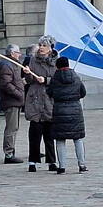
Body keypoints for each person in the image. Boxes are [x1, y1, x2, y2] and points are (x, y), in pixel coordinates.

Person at [47, 56, 88, 174]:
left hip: (59, 110)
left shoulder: (55, 78)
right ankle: (82, 164)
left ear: (57, 66)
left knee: (60, 140)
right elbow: (83, 92)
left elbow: (49, 92)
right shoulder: (76, 77)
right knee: (78, 139)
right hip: (75, 110)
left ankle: (62, 166)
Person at [24, 36, 58, 173]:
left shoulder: (56, 62)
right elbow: (29, 80)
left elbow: (57, 80)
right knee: (34, 134)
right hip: (35, 100)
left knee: (49, 135)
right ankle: (32, 162)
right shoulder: (33, 60)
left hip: (49, 101)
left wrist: (46, 80)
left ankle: (51, 161)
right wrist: (28, 74)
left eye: (44, 45)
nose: (41, 47)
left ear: (50, 48)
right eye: (40, 45)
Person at [0, 43, 26, 164]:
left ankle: (10, 152)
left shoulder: (13, 65)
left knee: (14, 127)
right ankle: (9, 154)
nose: (19, 55)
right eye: (18, 52)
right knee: (11, 128)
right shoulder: (7, 65)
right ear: (12, 53)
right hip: (11, 101)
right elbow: (6, 84)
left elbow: (15, 81)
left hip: (14, 100)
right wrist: (19, 93)